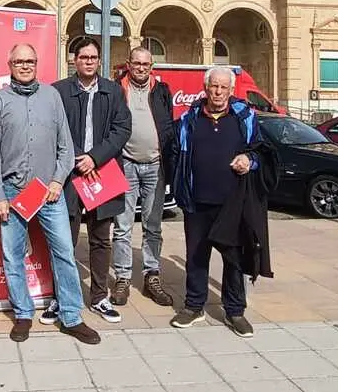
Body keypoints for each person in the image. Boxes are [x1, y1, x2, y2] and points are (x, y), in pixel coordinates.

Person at [0, 43, 100, 345]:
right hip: (12, 191)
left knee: (64, 252)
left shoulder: (52, 97)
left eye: (30, 61)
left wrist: (58, 181)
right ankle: (23, 313)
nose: (25, 66)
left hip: (49, 191)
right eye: (19, 61)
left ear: (37, 64)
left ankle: (71, 317)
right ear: (10, 65)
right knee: (12, 256)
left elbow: (66, 147)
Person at [169, 66, 267, 338]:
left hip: (232, 204)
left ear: (231, 90)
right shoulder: (188, 119)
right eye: (214, 86)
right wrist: (178, 188)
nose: (218, 92)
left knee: (233, 259)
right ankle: (194, 306)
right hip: (196, 202)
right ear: (205, 88)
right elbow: (175, 154)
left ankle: (235, 311)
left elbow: (261, 152)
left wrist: (250, 160)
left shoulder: (245, 117)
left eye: (224, 87)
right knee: (196, 256)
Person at [42, 36, 131, 326]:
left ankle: (99, 297)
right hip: (68, 175)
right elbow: (53, 130)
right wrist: (79, 157)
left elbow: (122, 128)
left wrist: (95, 157)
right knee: (63, 239)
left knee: (100, 238)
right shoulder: (58, 91)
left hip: (102, 172)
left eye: (93, 57)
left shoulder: (113, 91)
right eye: (83, 57)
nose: (89, 62)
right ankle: (60, 297)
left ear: (99, 60)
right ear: (74, 60)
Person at [110, 46, 176, 308]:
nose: (140, 68)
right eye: (136, 63)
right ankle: (122, 278)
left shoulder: (162, 91)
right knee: (123, 226)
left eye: (145, 64)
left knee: (153, 225)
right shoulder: (117, 89)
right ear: (128, 64)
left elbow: (167, 125)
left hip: (155, 166)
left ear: (151, 67)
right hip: (125, 164)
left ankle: (152, 275)